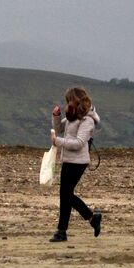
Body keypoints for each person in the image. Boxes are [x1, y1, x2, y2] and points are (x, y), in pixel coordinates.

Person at [48, 86, 102, 242]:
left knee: (65, 194)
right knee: (65, 194)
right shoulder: (73, 117)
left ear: (76, 100)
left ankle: (63, 230)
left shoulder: (87, 120)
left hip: (78, 162)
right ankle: (89, 219)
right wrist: (56, 116)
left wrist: (58, 142)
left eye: (69, 100)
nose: (67, 104)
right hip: (67, 160)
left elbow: (79, 143)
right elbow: (58, 128)